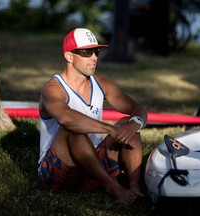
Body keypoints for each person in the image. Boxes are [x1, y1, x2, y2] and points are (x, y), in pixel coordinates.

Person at [38, 28, 148, 205]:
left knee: (128, 123)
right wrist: (110, 129)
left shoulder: (102, 83)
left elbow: (138, 108)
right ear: (69, 56)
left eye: (96, 51)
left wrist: (135, 124)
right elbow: (65, 117)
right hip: (58, 171)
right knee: (72, 129)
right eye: (86, 52)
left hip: (94, 165)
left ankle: (135, 186)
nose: (94, 57)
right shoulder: (53, 88)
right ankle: (112, 187)